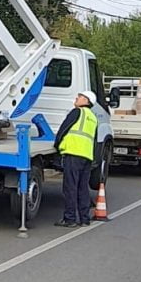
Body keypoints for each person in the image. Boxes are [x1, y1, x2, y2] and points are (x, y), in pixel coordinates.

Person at [53, 92, 98, 227]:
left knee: (70, 187)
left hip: (73, 153)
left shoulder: (77, 112)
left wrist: (57, 146)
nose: (76, 98)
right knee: (82, 188)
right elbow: (94, 139)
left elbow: (63, 129)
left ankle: (70, 219)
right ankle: (84, 219)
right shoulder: (93, 117)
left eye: (79, 97)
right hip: (87, 156)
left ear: (86, 100)